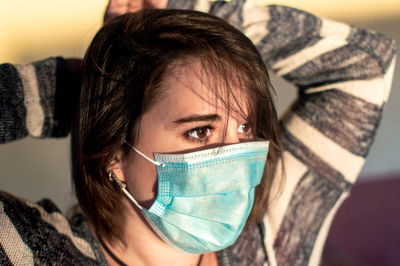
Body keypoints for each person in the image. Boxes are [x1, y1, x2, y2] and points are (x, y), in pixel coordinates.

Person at [0, 0, 396, 265]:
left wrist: (189, 11)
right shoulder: (37, 251)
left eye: (245, 127)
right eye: (200, 131)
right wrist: (82, 89)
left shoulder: (270, 238)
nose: (235, 158)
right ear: (113, 155)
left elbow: (368, 64)